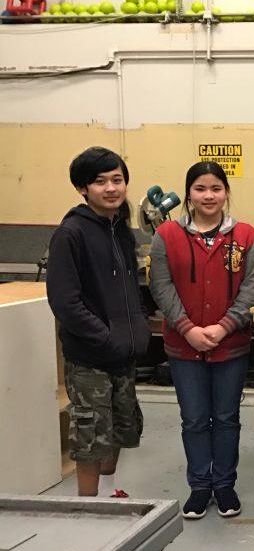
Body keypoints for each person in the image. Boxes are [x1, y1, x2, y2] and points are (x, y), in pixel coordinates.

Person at [150, 161, 254, 519]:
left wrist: (224, 326)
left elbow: (253, 287)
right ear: (188, 194)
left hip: (230, 345)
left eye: (216, 188)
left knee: (228, 417)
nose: (208, 195)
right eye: (200, 189)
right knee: (195, 419)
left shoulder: (246, 236)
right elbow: (161, 286)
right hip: (184, 346)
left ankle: (225, 484)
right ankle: (200, 486)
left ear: (226, 192)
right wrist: (187, 328)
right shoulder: (167, 235)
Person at [47, 147, 150, 498]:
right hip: (90, 356)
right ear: (82, 188)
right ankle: (88, 508)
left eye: (117, 180)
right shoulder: (71, 233)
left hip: (122, 353)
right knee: (91, 433)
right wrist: (106, 338)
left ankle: (109, 494)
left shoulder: (120, 229)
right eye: (100, 181)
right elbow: (65, 302)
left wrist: (134, 333)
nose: (111, 188)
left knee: (121, 426)